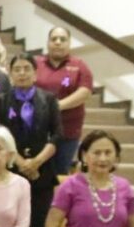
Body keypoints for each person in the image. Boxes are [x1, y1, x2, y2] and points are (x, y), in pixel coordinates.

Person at [0, 53, 60, 227]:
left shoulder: (49, 99)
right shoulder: (0, 100)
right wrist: (21, 163)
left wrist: (36, 162)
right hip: (10, 169)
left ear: (35, 73)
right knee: (9, 224)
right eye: (17, 69)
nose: (22, 73)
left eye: (27, 69)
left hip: (42, 171)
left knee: (38, 224)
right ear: (11, 74)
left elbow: (57, 135)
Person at [36, 27, 95, 176]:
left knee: (60, 173)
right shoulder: (36, 63)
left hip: (67, 131)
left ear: (69, 43)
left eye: (62, 39)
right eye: (54, 39)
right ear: (48, 42)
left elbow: (85, 91)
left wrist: (58, 106)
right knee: (36, 172)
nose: (58, 42)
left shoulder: (79, 65)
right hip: (37, 130)